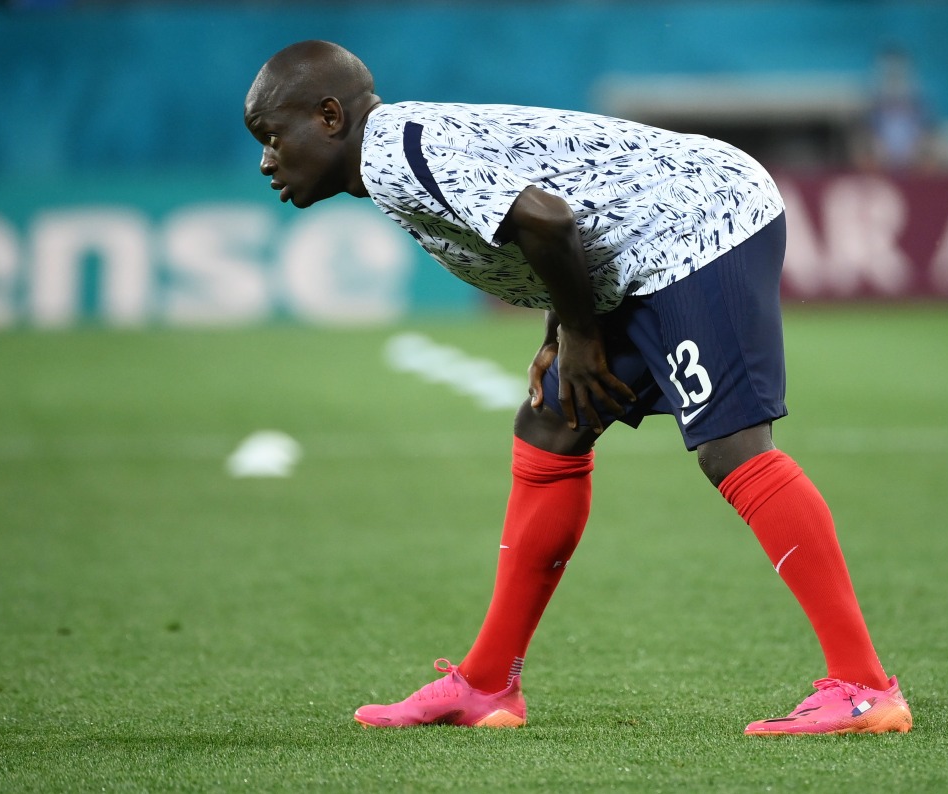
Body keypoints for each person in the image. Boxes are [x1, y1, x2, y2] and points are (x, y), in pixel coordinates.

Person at [244, 40, 913, 736]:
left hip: (697, 222)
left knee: (732, 447)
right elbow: (552, 210)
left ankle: (865, 688)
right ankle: (484, 686)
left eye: (271, 137)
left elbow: (547, 218)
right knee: (551, 425)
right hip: (640, 243)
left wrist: (580, 333)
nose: (267, 159)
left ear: (328, 117)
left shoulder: (394, 154)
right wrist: (559, 332)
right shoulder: (397, 148)